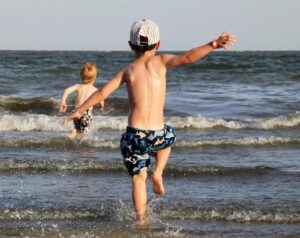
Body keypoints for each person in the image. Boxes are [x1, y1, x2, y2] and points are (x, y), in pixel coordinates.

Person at [63, 19, 236, 221]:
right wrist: (214, 44)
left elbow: (102, 93)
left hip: (134, 134)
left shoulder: (127, 71)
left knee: (138, 178)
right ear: (159, 44)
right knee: (168, 136)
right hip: (157, 132)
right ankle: (159, 172)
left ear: (130, 45)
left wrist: (79, 110)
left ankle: (141, 219)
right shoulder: (161, 62)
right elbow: (189, 57)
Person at [59, 62, 105, 138]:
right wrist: (101, 106)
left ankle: (71, 136)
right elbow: (101, 100)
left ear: (82, 76)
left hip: (76, 111)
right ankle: (83, 148)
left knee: (76, 129)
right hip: (86, 113)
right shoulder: (95, 90)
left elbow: (66, 91)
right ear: (94, 78)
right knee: (84, 132)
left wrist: (63, 102)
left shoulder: (78, 86)